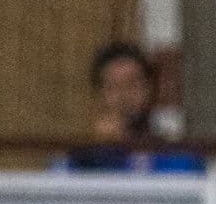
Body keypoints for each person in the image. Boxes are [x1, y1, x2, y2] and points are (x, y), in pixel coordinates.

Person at [62, 40, 202, 173]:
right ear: (100, 95)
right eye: (113, 87)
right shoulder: (82, 159)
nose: (123, 96)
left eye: (132, 84)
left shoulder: (179, 157)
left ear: (150, 89)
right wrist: (92, 149)